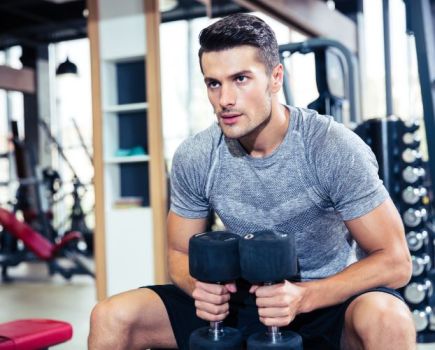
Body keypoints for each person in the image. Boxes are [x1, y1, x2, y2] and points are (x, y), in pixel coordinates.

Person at [88, 13, 416, 350]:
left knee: (388, 317)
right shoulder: (198, 155)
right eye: (213, 83)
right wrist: (198, 286)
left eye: (240, 79)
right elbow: (177, 251)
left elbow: (395, 261)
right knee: (112, 316)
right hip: (241, 302)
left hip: (328, 301)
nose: (225, 99)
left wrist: (304, 296)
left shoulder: (331, 147)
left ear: (275, 78)